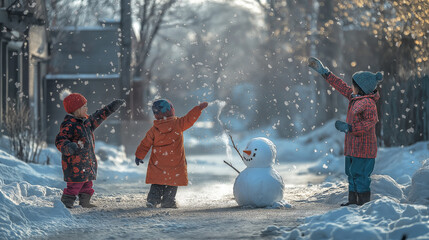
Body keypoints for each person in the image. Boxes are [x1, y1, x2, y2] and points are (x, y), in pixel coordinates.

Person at [308, 57, 383, 206]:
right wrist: (325, 73)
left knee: (360, 176)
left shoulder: (368, 103)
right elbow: (341, 86)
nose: (351, 87)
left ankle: (362, 203)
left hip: (364, 149)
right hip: (353, 148)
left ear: (361, 88)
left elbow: (369, 122)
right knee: (351, 174)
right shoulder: (355, 97)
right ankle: (352, 201)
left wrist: (350, 128)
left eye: (354, 85)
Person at [55, 89, 125, 208]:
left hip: (86, 162)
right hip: (74, 164)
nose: (87, 109)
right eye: (84, 106)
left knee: (87, 183)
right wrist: (68, 146)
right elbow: (60, 140)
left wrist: (111, 108)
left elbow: (99, 116)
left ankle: (85, 202)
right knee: (74, 185)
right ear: (76, 109)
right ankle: (66, 205)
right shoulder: (69, 124)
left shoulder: (86, 123)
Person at [135, 99, 208, 208]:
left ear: (156, 114)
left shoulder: (154, 130)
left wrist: (139, 155)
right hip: (175, 163)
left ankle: (153, 199)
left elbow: (145, 143)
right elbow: (189, 119)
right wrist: (198, 109)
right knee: (172, 183)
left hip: (158, 163)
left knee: (157, 182)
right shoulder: (178, 124)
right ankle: (168, 201)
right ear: (171, 110)